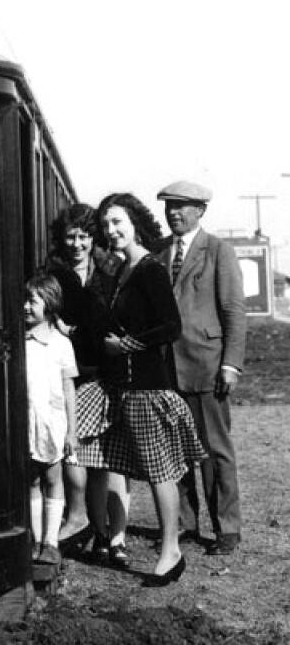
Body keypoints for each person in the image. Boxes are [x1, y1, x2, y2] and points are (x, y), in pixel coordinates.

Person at [92, 192, 206, 586]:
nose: (112, 231)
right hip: (124, 388)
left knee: (159, 473)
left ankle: (170, 552)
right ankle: (152, 546)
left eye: (118, 222)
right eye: (106, 225)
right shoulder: (122, 270)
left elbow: (170, 327)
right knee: (124, 469)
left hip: (147, 390)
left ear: (135, 223)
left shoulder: (149, 269)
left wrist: (125, 345)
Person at [154, 180, 246, 556]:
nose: (173, 212)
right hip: (166, 369)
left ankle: (227, 529)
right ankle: (185, 523)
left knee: (214, 450)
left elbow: (234, 311)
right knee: (175, 449)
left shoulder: (219, 251)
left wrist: (231, 365)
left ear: (201, 210)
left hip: (207, 367)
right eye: (169, 206)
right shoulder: (160, 254)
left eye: (182, 206)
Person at [45, 205, 130, 565]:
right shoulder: (52, 273)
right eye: (70, 237)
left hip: (106, 371)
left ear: (92, 237)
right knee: (78, 451)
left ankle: (116, 536)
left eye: (83, 236)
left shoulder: (110, 268)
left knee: (109, 457)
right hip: (70, 372)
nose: (77, 243)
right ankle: (90, 526)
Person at [24, 273, 79, 567]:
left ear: (49, 303)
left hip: (52, 422)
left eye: (31, 301)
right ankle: (34, 540)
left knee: (53, 478)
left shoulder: (60, 344)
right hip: (27, 421)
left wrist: (72, 430)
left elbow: (69, 388)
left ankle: (51, 541)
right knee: (31, 480)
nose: (25, 307)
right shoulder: (21, 343)